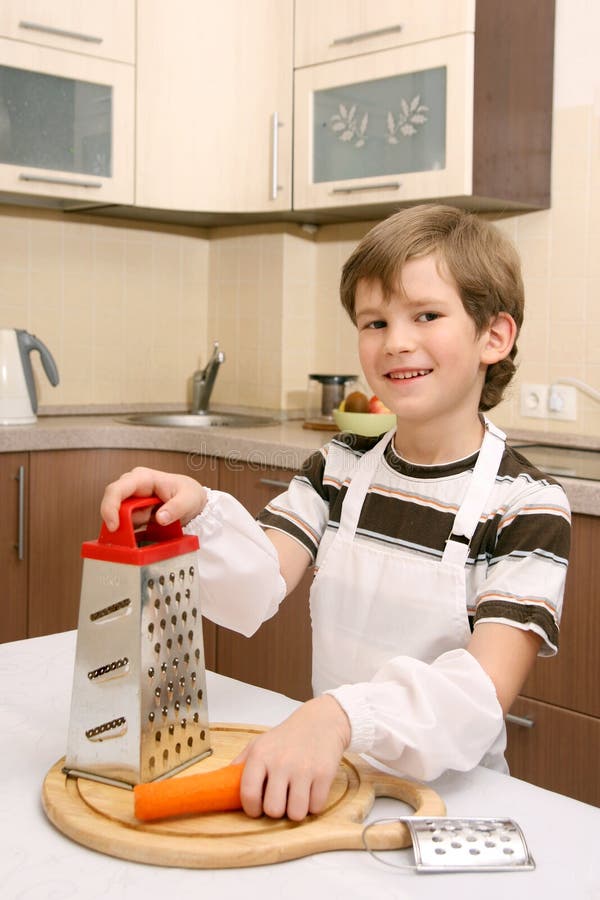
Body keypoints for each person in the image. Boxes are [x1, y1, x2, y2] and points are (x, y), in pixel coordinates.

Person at [101, 204, 570, 822]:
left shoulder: (525, 505)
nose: (396, 340)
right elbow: (256, 585)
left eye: (426, 315)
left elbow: (481, 693)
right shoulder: (339, 467)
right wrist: (195, 515)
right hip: (326, 781)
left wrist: (340, 715)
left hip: (450, 808)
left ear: (494, 336)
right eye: (375, 322)